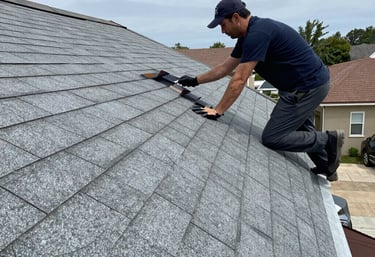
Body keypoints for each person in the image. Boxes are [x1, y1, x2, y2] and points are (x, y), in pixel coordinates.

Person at [178, 0, 344, 181]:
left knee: (273, 137)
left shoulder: (258, 34)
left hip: (307, 87)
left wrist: (218, 110)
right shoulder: (248, 36)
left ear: (235, 18)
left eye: (223, 25)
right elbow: (224, 68)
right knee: (300, 128)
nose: (222, 31)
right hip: (307, 84)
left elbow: (240, 78)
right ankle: (327, 165)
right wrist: (195, 80)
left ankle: (329, 140)